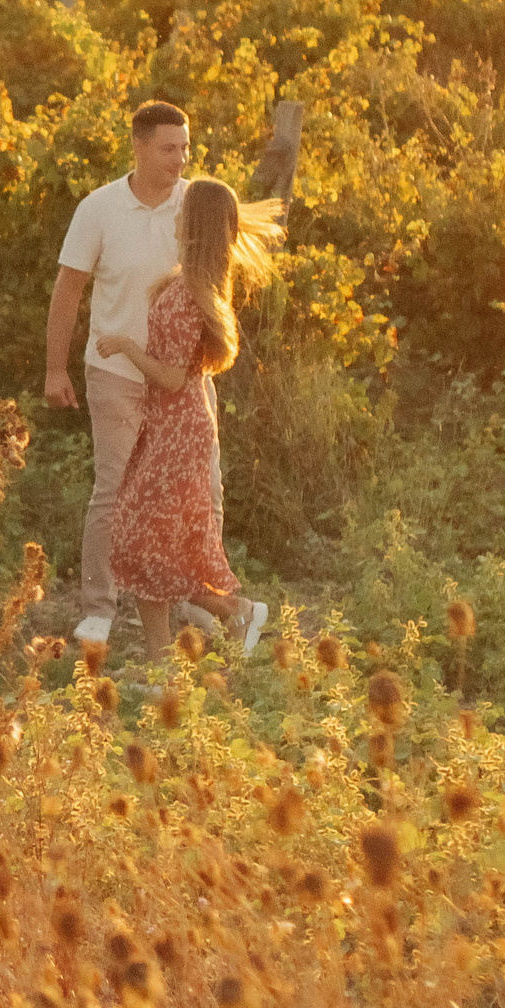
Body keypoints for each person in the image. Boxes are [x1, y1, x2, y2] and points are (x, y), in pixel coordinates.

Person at [95, 177, 282, 660]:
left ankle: (235, 610)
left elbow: (173, 379)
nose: (174, 213)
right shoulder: (187, 286)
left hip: (178, 430)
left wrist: (127, 347)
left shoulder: (185, 295)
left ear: (192, 221)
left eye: (182, 208)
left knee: (143, 542)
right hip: (171, 428)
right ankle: (166, 660)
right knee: (148, 544)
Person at [44, 100, 211, 645]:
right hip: (115, 372)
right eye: (169, 148)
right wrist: (55, 368)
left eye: (185, 147)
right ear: (138, 146)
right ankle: (98, 607)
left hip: (183, 377)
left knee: (202, 488)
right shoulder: (98, 209)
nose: (180, 159)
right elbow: (69, 289)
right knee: (115, 489)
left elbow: (218, 280)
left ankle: (191, 597)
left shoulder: (196, 205)